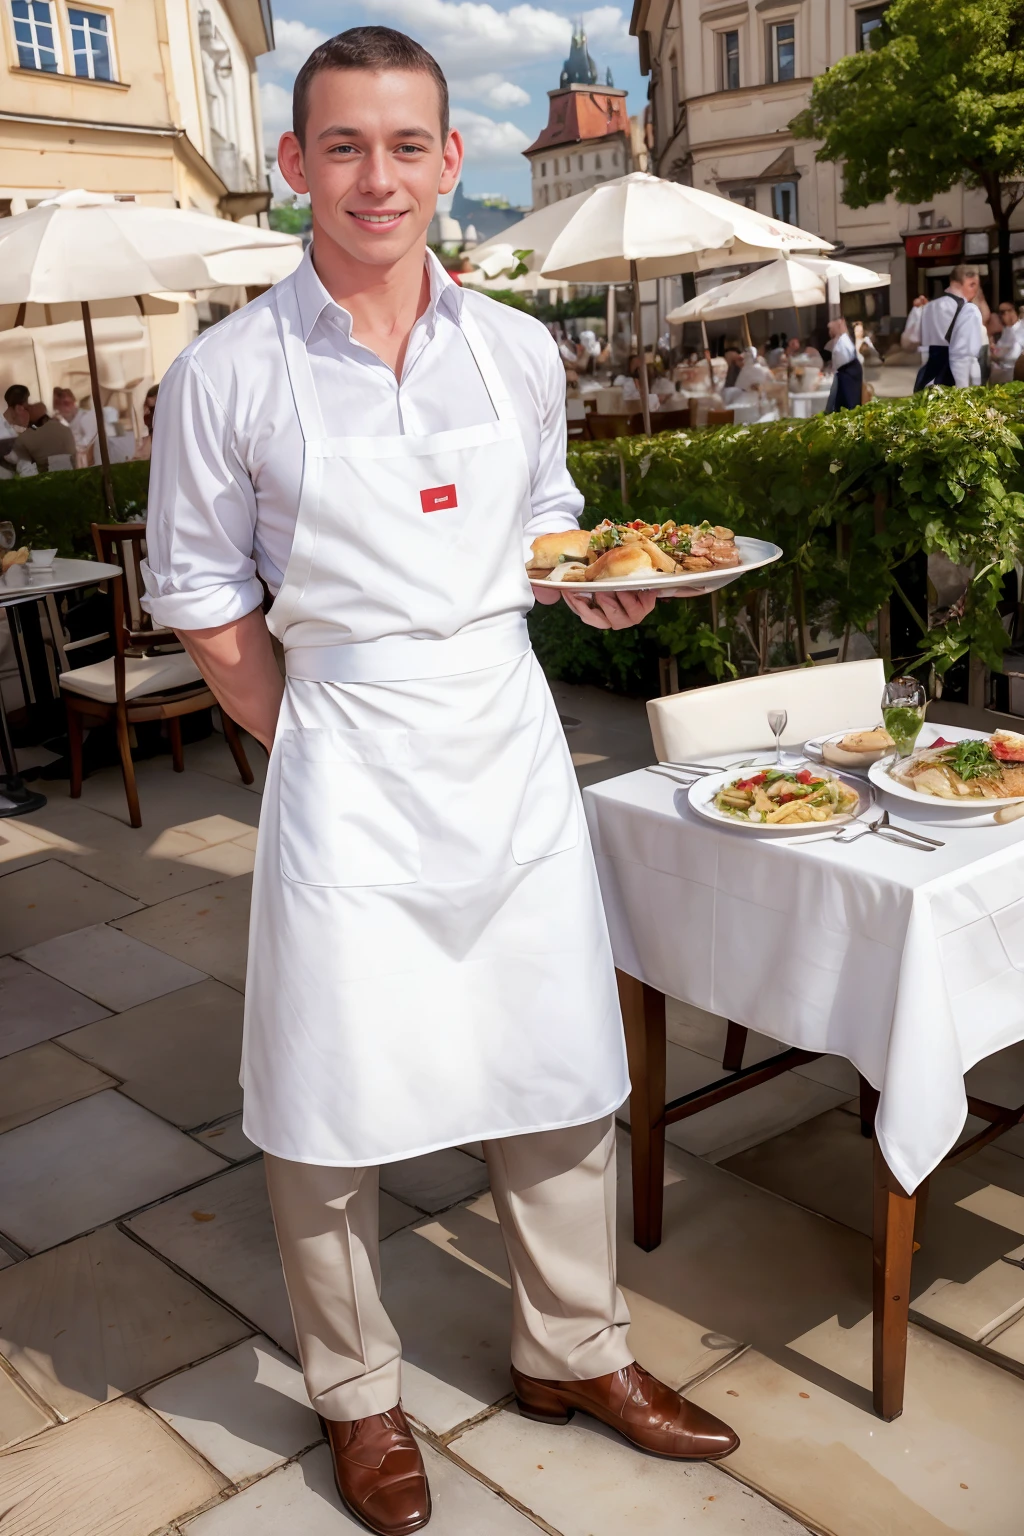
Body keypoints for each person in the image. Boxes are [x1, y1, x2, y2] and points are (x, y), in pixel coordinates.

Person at [141, 26, 738, 1535]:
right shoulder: (226, 373)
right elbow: (208, 601)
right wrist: (317, 735)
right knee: (328, 1101)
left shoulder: (518, 348)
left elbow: (546, 523)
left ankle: (575, 1349)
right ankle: (358, 1396)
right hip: (343, 750)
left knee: (555, 1069)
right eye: (343, 146)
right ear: (295, 165)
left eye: (408, 145)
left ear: (448, 160)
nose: (377, 177)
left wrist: (587, 587)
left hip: (511, 739)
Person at [914, 264, 985, 390]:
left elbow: (913, 340)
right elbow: (962, 354)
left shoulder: (928, 307)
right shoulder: (968, 310)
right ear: (972, 283)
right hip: (950, 376)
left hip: (925, 374)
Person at [5, 399, 75, 473]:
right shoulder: (64, 428)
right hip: (73, 474)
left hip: (46, 478)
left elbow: (25, 467)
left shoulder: (24, 438)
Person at [824, 318, 863, 412]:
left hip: (849, 372)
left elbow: (843, 359)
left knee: (850, 401)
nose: (829, 332)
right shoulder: (840, 339)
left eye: (831, 329)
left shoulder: (842, 340)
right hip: (846, 371)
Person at [53, 387, 98, 466]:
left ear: (74, 402)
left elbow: (90, 441)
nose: (64, 407)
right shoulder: (60, 421)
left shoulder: (85, 418)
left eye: (67, 403)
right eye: (59, 404)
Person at [988, 302, 1023, 384]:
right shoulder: (1006, 330)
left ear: (1013, 312)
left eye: (1004, 312)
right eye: (1000, 312)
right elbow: (999, 350)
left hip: (1014, 378)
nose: (1001, 316)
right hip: (998, 376)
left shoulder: (1021, 329)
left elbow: (1012, 356)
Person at [133, 384, 159, 460]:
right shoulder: (141, 407)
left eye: (156, 398)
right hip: (141, 436)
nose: (155, 400)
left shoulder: (155, 410)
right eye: (153, 397)